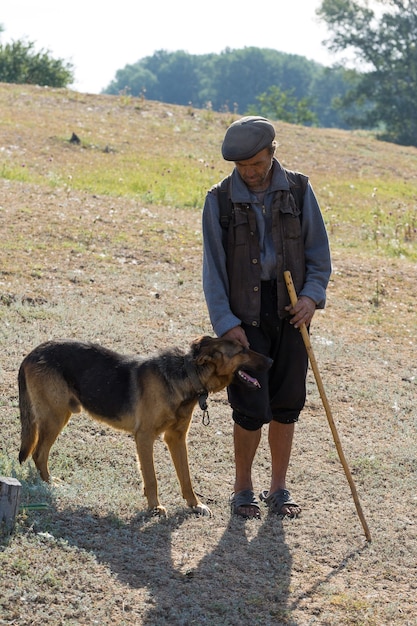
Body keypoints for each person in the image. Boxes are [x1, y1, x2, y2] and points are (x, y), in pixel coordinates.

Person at [202, 116, 331, 519]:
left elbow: (318, 253)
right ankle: (243, 488)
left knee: (287, 401)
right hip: (245, 318)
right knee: (249, 404)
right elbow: (213, 268)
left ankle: (279, 489)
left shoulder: (299, 189)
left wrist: (311, 297)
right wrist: (227, 324)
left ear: (273, 153)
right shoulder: (218, 200)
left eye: (256, 164)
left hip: (292, 313)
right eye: (242, 167)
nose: (250, 173)